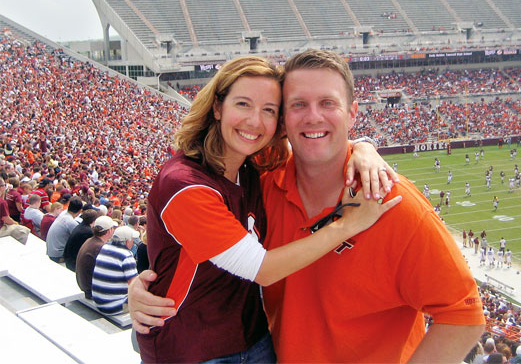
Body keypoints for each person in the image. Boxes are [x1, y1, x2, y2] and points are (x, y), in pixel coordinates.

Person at [130, 50, 484, 363]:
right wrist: (143, 286)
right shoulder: (266, 182)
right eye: (298, 104)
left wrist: (365, 146)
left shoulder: (391, 203)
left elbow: (464, 317)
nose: (312, 116)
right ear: (285, 120)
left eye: (327, 103)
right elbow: (201, 246)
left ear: (352, 113)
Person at [92, 226, 138, 314]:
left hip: (98, 302)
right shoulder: (126, 255)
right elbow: (134, 285)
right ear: (128, 241)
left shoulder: (104, 248)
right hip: (115, 306)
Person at [76, 215, 118, 299]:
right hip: (91, 291)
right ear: (109, 231)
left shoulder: (90, 240)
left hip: (85, 286)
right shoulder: (101, 247)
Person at [46, 197, 83, 263]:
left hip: (51, 251)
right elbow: (80, 239)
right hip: (57, 255)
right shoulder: (71, 222)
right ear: (80, 211)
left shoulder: (62, 214)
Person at [0, 179, 30, 244]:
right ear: (2, 187)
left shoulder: (7, 196)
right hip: (2, 227)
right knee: (24, 230)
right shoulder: (2, 202)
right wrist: (16, 223)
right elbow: (7, 220)